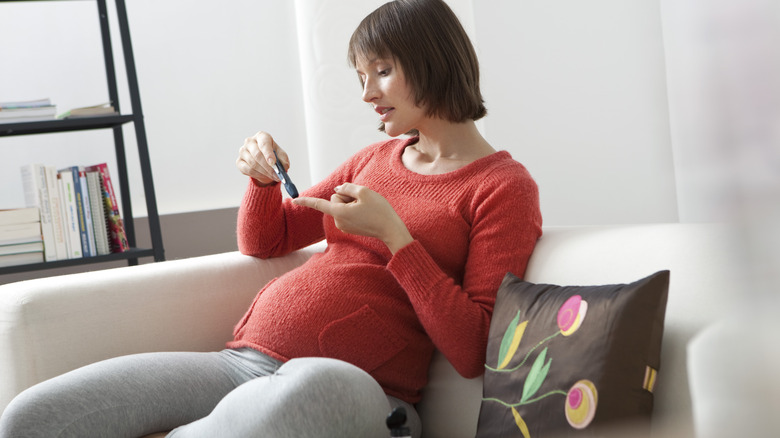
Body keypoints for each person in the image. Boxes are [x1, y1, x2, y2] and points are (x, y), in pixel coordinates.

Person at [0, 1, 541, 437]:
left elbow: (474, 350)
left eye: (382, 71)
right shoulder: (376, 159)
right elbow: (268, 239)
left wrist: (396, 238)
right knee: (34, 416)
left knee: (317, 385)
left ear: (434, 62)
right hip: (241, 366)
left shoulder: (502, 187)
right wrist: (261, 180)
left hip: (364, 394)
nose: (367, 93)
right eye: (360, 76)